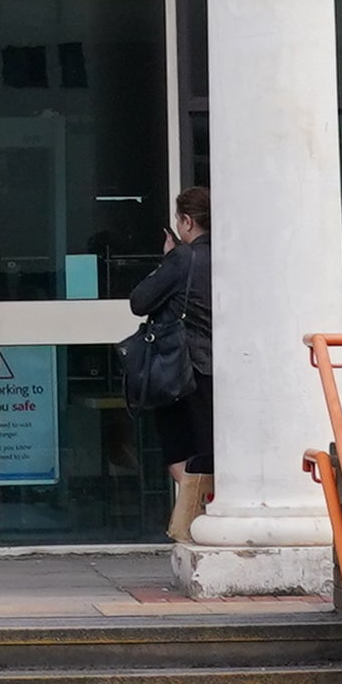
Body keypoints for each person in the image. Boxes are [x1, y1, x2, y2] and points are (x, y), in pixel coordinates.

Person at [126, 185, 215, 540]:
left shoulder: (183, 258)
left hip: (183, 369)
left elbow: (140, 301)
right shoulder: (233, 255)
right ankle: (199, 522)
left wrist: (168, 258)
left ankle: (192, 526)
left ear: (187, 221)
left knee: (181, 451)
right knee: (210, 449)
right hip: (221, 368)